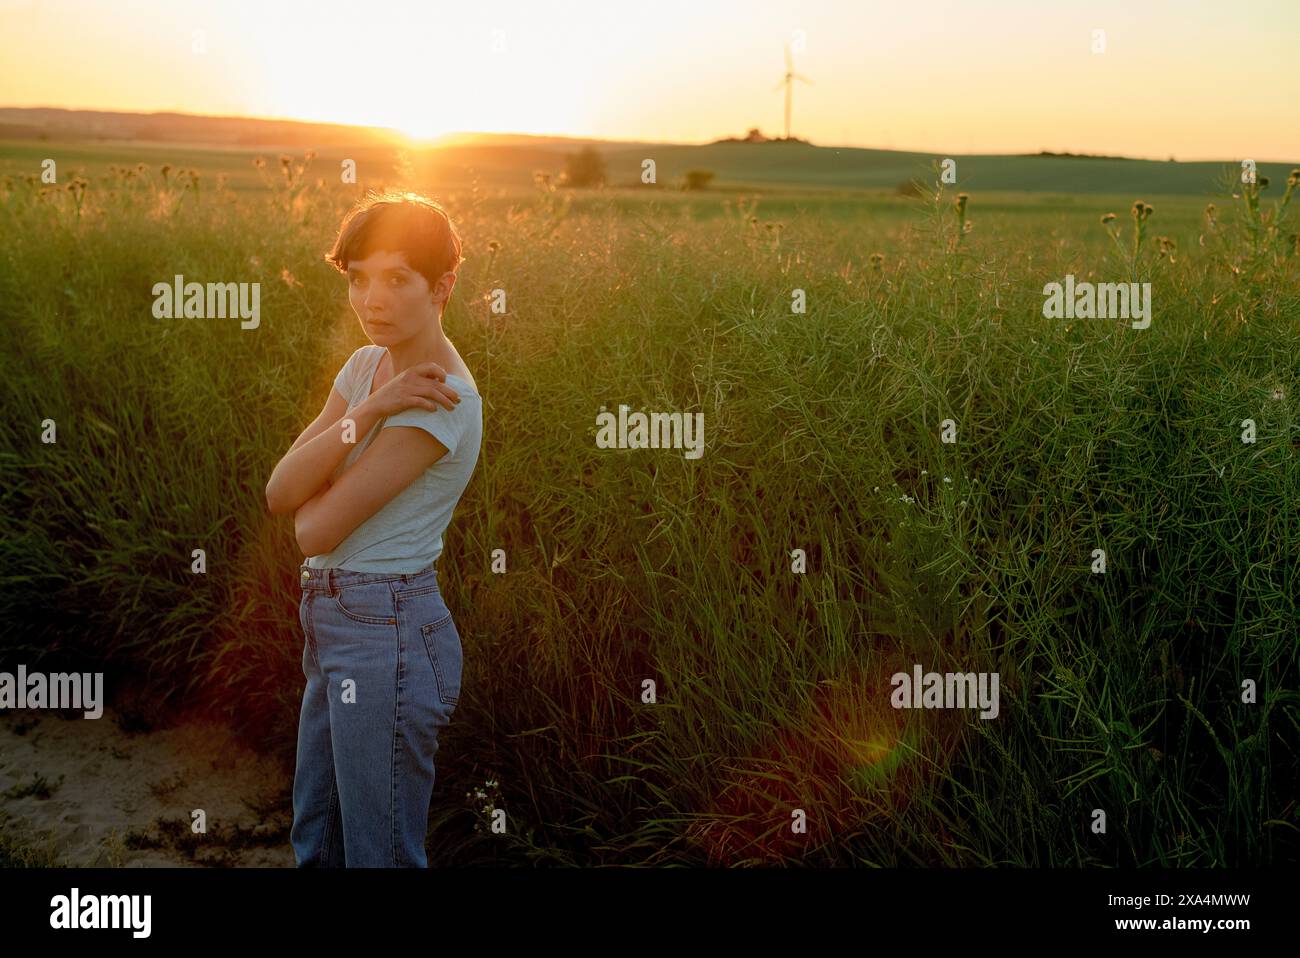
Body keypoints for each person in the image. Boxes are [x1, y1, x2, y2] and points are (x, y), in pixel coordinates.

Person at [264, 191, 482, 867]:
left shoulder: (445, 398)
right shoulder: (367, 370)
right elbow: (280, 493)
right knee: (318, 841)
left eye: (396, 279)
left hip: (386, 631)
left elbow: (312, 527)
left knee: (376, 856)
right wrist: (378, 401)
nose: (371, 300)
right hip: (334, 623)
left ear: (442, 286)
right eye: (358, 278)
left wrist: (322, 472)